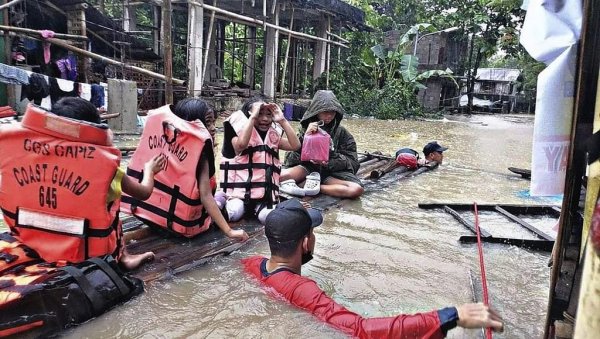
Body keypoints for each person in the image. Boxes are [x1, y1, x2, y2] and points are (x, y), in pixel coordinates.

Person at [242, 199, 504, 338]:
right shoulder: (304, 289)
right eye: (313, 233)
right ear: (306, 242)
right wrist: (449, 315)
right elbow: (361, 330)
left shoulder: (252, 265)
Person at [0, 98, 163, 270]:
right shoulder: (105, 166)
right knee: (112, 201)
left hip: (29, 242)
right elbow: (144, 192)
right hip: (85, 254)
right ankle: (124, 257)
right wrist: (150, 170)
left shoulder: (17, 152)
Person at [121, 98, 248, 242]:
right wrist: (230, 231)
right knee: (229, 204)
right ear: (192, 123)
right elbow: (205, 196)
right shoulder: (201, 152)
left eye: (213, 122)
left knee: (220, 196)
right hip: (183, 227)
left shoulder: (164, 138)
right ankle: (223, 198)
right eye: (207, 123)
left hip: (152, 216)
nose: (213, 128)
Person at [219, 96, 301, 224]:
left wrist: (282, 120)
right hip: (240, 195)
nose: (264, 119)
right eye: (259, 114)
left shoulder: (273, 136)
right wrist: (252, 117)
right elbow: (240, 146)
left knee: (269, 218)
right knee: (234, 213)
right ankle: (220, 200)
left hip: (265, 197)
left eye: (269, 115)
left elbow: (295, 146)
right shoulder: (238, 133)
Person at [280, 90, 364, 199]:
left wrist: (328, 161)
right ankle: (307, 183)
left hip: (330, 174)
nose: (329, 116)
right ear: (317, 112)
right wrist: (305, 138)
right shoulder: (306, 129)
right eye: (325, 112)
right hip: (306, 169)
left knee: (356, 189)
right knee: (277, 177)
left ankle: (314, 187)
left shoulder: (342, 133)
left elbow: (353, 163)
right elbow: (289, 159)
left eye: (332, 112)